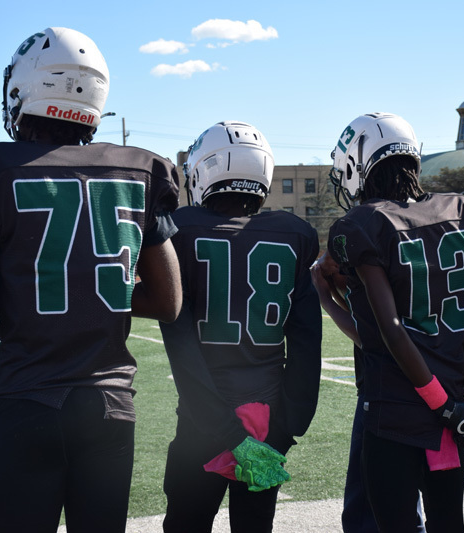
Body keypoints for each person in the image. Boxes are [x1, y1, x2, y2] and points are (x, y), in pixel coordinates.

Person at [0, 27, 182, 533]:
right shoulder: (139, 171)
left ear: (23, 89)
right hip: (110, 405)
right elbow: (168, 301)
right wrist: (96, 289)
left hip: (28, 401)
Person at [312, 112, 464, 532]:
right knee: (449, 523)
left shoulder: (364, 224)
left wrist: (324, 294)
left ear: (359, 167)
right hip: (451, 411)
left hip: (396, 412)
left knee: (392, 524)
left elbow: (389, 332)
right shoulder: (459, 210)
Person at [158, 121, 322, 533]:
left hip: (202, 420)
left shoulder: (180, 231)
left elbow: (182, 348)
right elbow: (306, 342)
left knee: (185, 525)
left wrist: (225, 430)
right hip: (268, 420)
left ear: (201, 172)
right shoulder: (295, 235)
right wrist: (287, 427)